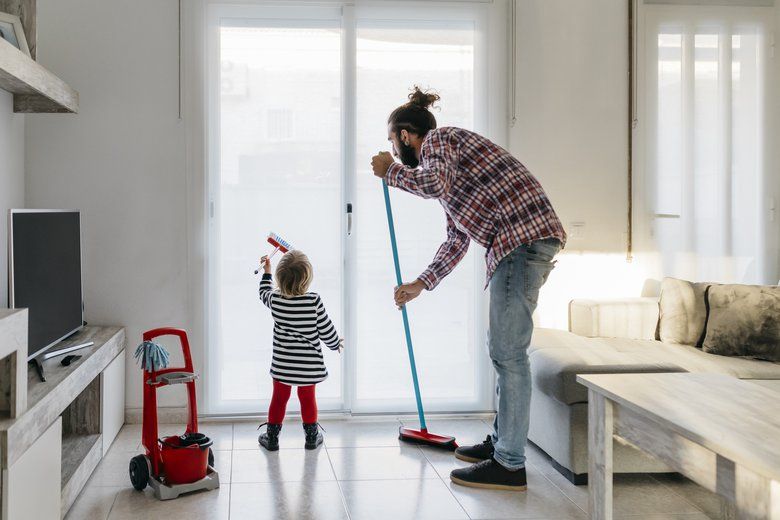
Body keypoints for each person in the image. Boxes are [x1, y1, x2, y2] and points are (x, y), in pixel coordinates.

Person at [370, 86, 566, 491]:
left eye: (393, 140)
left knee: (508, 354)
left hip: (521, 240)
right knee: (503, 351)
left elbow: (431, 183)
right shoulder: (451, 171)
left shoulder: (441, 140)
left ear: (407, 135)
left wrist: (390, 170)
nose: (392, 147)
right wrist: (419, 285)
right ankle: (501, 446)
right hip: (517, 243)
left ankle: (509, 465)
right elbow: (456, 240)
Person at [256, 250, 343, 451]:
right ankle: (311, 438)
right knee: (307, 398)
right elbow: (325, 328)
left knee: (279, 399)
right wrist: (334, 343)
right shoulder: (313, 301)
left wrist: (266, 272)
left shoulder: (276, 300)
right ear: (307, 278)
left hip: (283, 366)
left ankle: (272, 438)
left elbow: (263, 293)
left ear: (280, 277)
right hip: (308, 367)